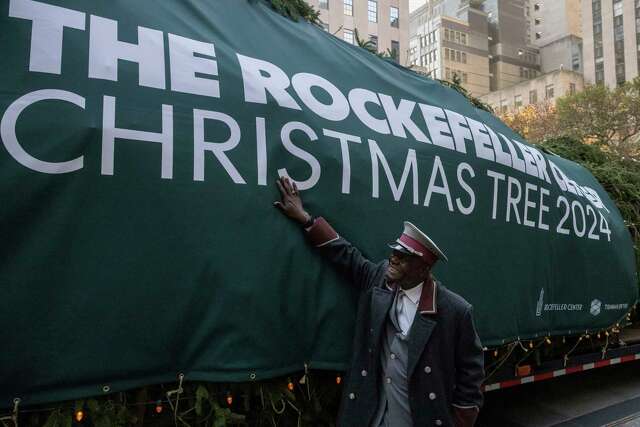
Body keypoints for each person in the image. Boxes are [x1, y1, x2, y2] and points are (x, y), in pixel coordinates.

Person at [274, 176, 485, 427]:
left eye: (403, 256)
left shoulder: (454, 310)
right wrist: (305, 218)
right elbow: (345, 254)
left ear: (423, 268)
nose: (393, 259)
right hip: (374, 416)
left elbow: (471, 377)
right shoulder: (379, 279)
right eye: (394, 251)